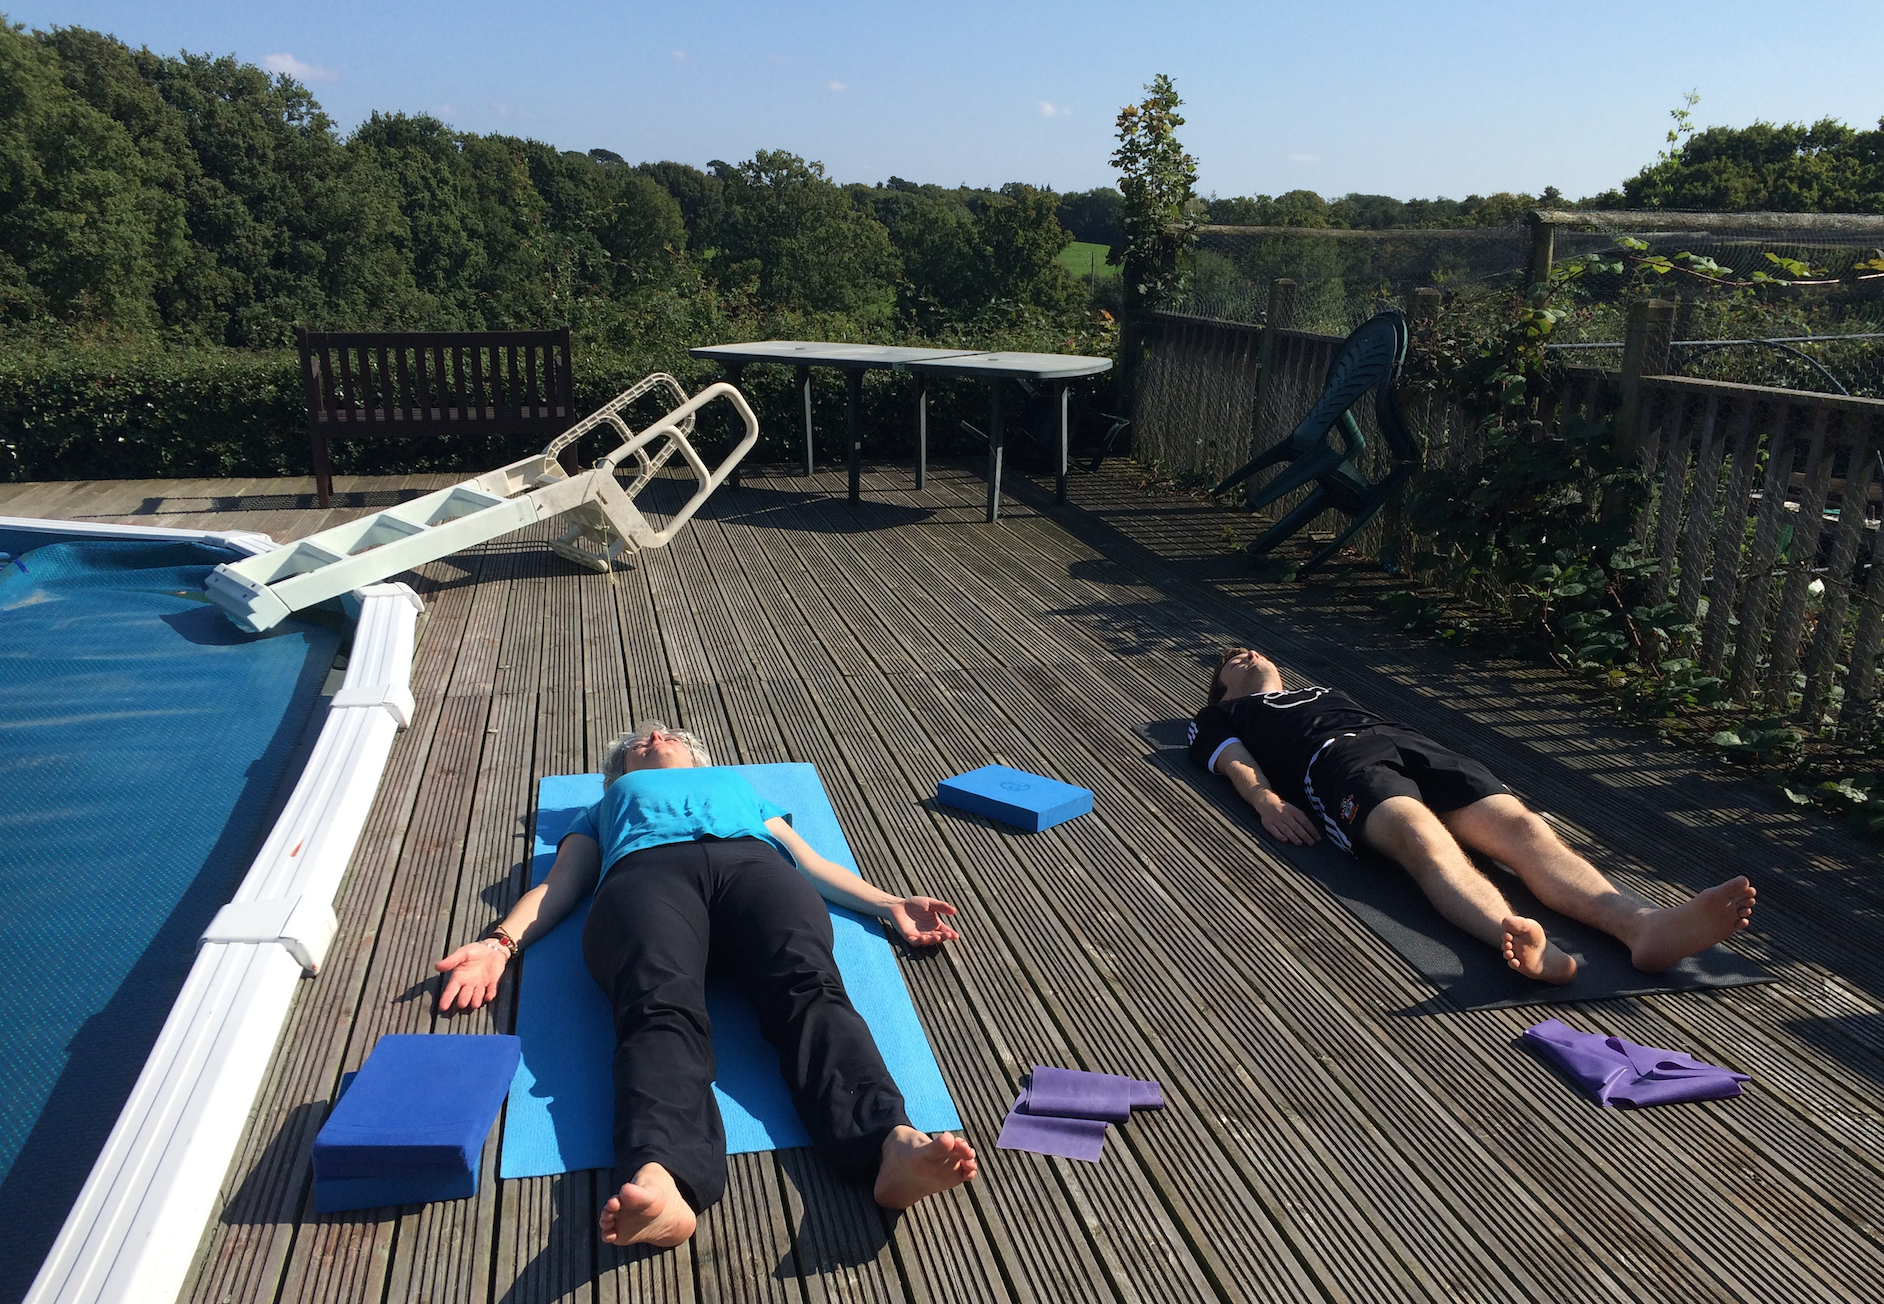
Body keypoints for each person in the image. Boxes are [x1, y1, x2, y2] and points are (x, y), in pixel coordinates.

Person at [435, 722, 976, 1248]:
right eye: (637, 742)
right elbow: (562, 882)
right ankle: (662, 1177)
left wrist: (889, 904)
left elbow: (808, 863)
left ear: (698, 757)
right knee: (657, 1008)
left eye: (666, 733)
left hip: (753, 869)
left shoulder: (737, 786)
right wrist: (498, 945)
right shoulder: (604, 806)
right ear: (617, 773)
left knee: (810, 988)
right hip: (646, 877)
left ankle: (888, 1143)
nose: (652, 737)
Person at [1191, 648, 1757, 983]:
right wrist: (1266, 800)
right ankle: (1519, 939)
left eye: (1253, 650)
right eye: (1232, 660)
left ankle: (1644, 927)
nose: (1248, 654)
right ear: (1221, 693)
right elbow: (1236, 763)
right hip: (1336, 763)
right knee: (1419, 834)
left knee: (1524, 828)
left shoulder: (1324, 690)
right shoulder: (1223, 716)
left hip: (1408, 742)